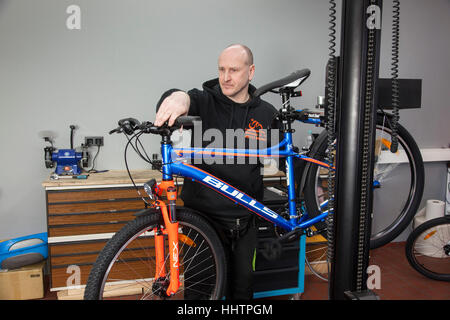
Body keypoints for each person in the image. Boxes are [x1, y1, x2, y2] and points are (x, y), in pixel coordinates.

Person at [154, 44, 280, 299]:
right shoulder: (203, 101)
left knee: (243, 291)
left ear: (251, 71)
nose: (226, 77)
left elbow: (279, 159)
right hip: (203, 220)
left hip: (246, 220)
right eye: (221, 69)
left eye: (234, 70)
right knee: (201, 292)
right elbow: (181, 98)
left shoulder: (267, 114)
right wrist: (177, 97)